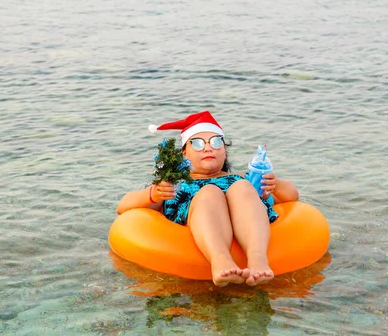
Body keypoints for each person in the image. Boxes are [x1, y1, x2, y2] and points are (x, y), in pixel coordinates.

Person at [116, 111, 299, 287]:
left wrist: (276, 184)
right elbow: (123, 207)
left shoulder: (242, 178)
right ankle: (221, 260)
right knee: (209, 192)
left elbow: (291, 197)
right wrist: (153, 194)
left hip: (246, 217)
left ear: (225, 151)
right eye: (197, 143)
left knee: (243, 188)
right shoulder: (175, 185)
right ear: (184, 153)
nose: (208, 147)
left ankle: (258, 259)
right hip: (200, 216)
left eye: (216, 141)